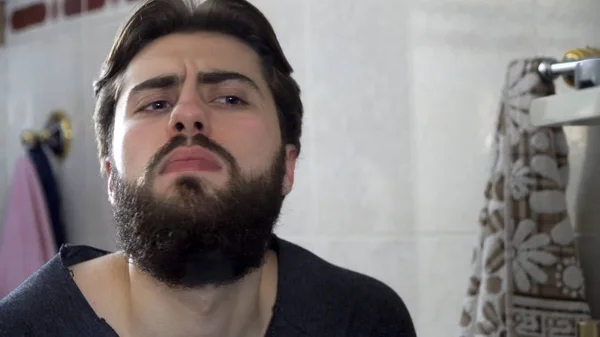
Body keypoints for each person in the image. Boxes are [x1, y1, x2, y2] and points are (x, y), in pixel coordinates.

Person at [0, 0, 417, 336]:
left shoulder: (363, 320)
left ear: (287, 165)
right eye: (155, 103)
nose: (187, 114)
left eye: (230, 98)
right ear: (110, 175)